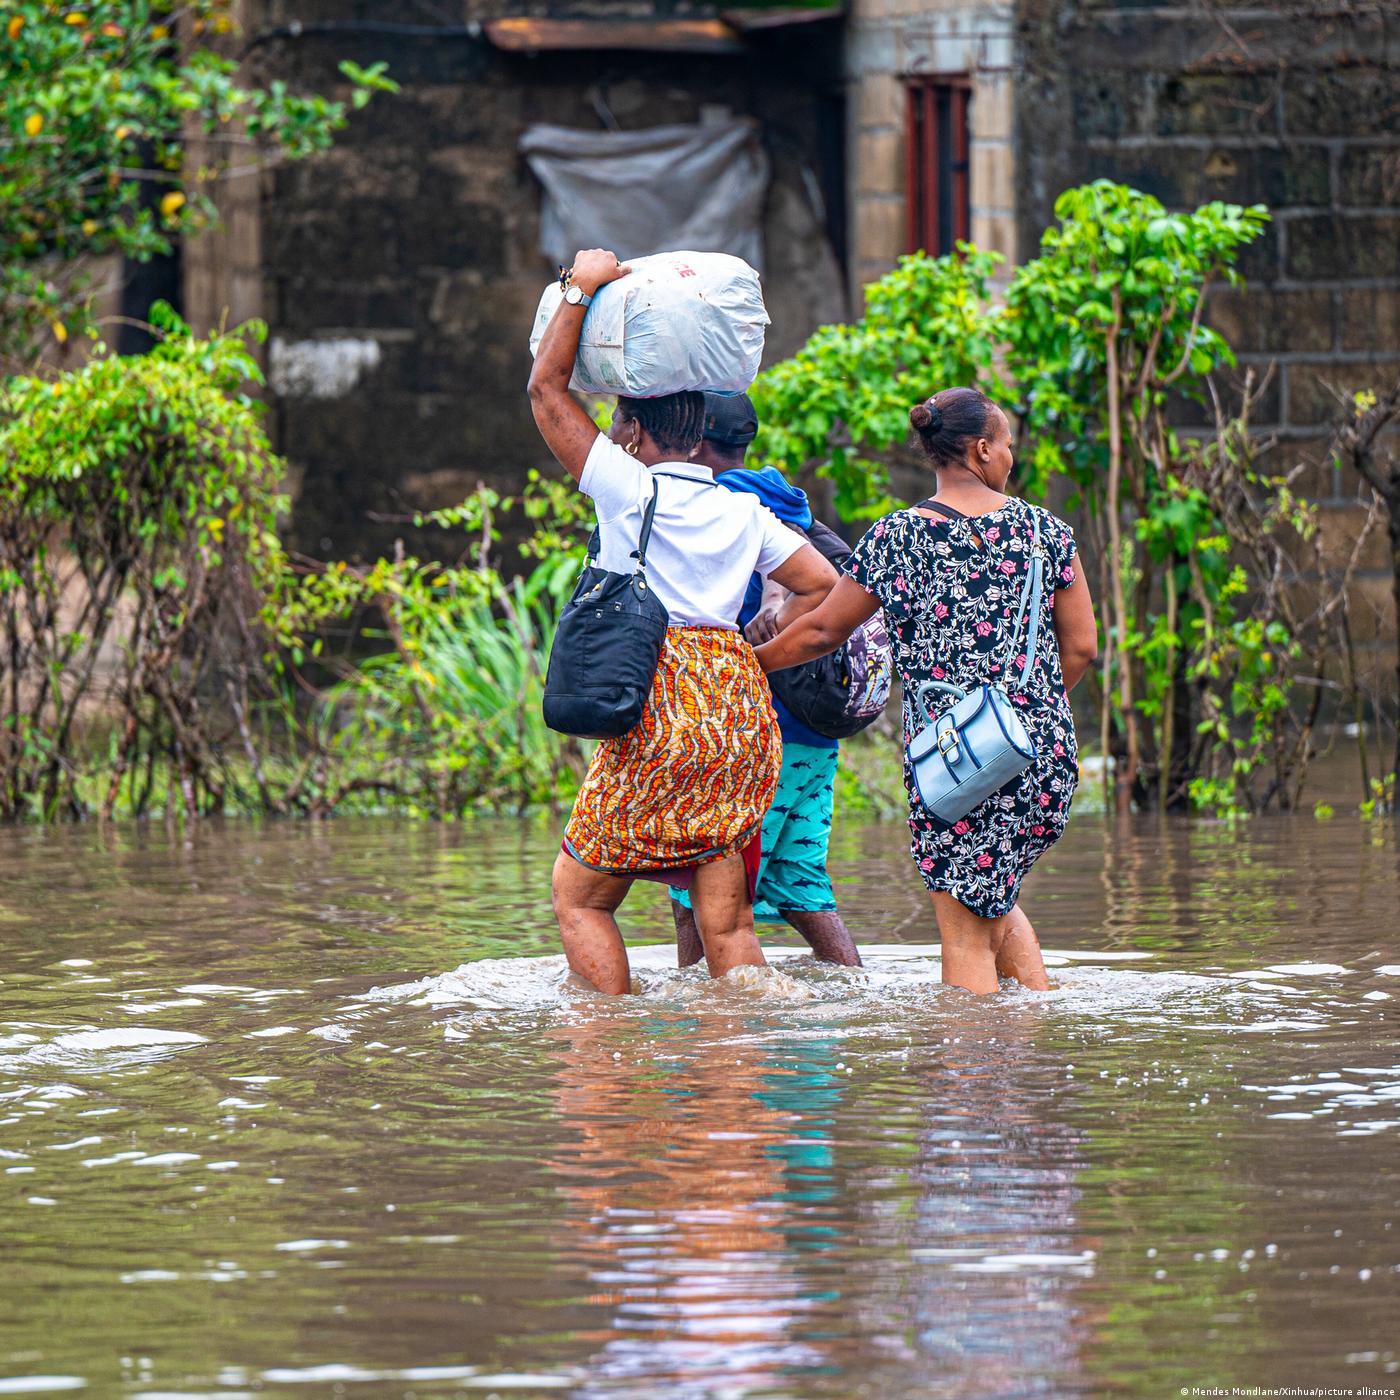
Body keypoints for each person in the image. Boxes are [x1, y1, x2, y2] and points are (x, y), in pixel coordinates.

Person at [527, 248, 838, 995]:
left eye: (618, 426)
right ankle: (738, 1052)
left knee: (580, 897)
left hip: (660, 708)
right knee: (727, 923)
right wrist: (756, 649)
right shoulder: (744, 510)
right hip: (738, 714)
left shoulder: (629, 489)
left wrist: (580, 289)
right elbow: (823, 585)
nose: (612, 437)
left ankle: (606, 1041)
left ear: (633, 433)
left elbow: (545, 390)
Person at [750, 387, 1099, 995]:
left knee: (964, 935)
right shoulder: (1047, 532)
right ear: (982, 449)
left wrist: (745, 664)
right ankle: (1032, 1035)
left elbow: (824, 631)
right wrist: (1026, 712)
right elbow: (1082, 649)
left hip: (955, 759)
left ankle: (968, 1056)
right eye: (1008, 445)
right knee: (992, 896)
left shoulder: (898, 537)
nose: (1010, 456)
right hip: (1043, 750)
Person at [669, 393, 862, 969]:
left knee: (698, 890)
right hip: (816, 732)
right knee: (800, 879)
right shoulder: (786, 501)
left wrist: (749, 660)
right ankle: (856, 996)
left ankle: (701, 1013)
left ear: (694, 444)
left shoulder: (713, 510)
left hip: (758, 735)